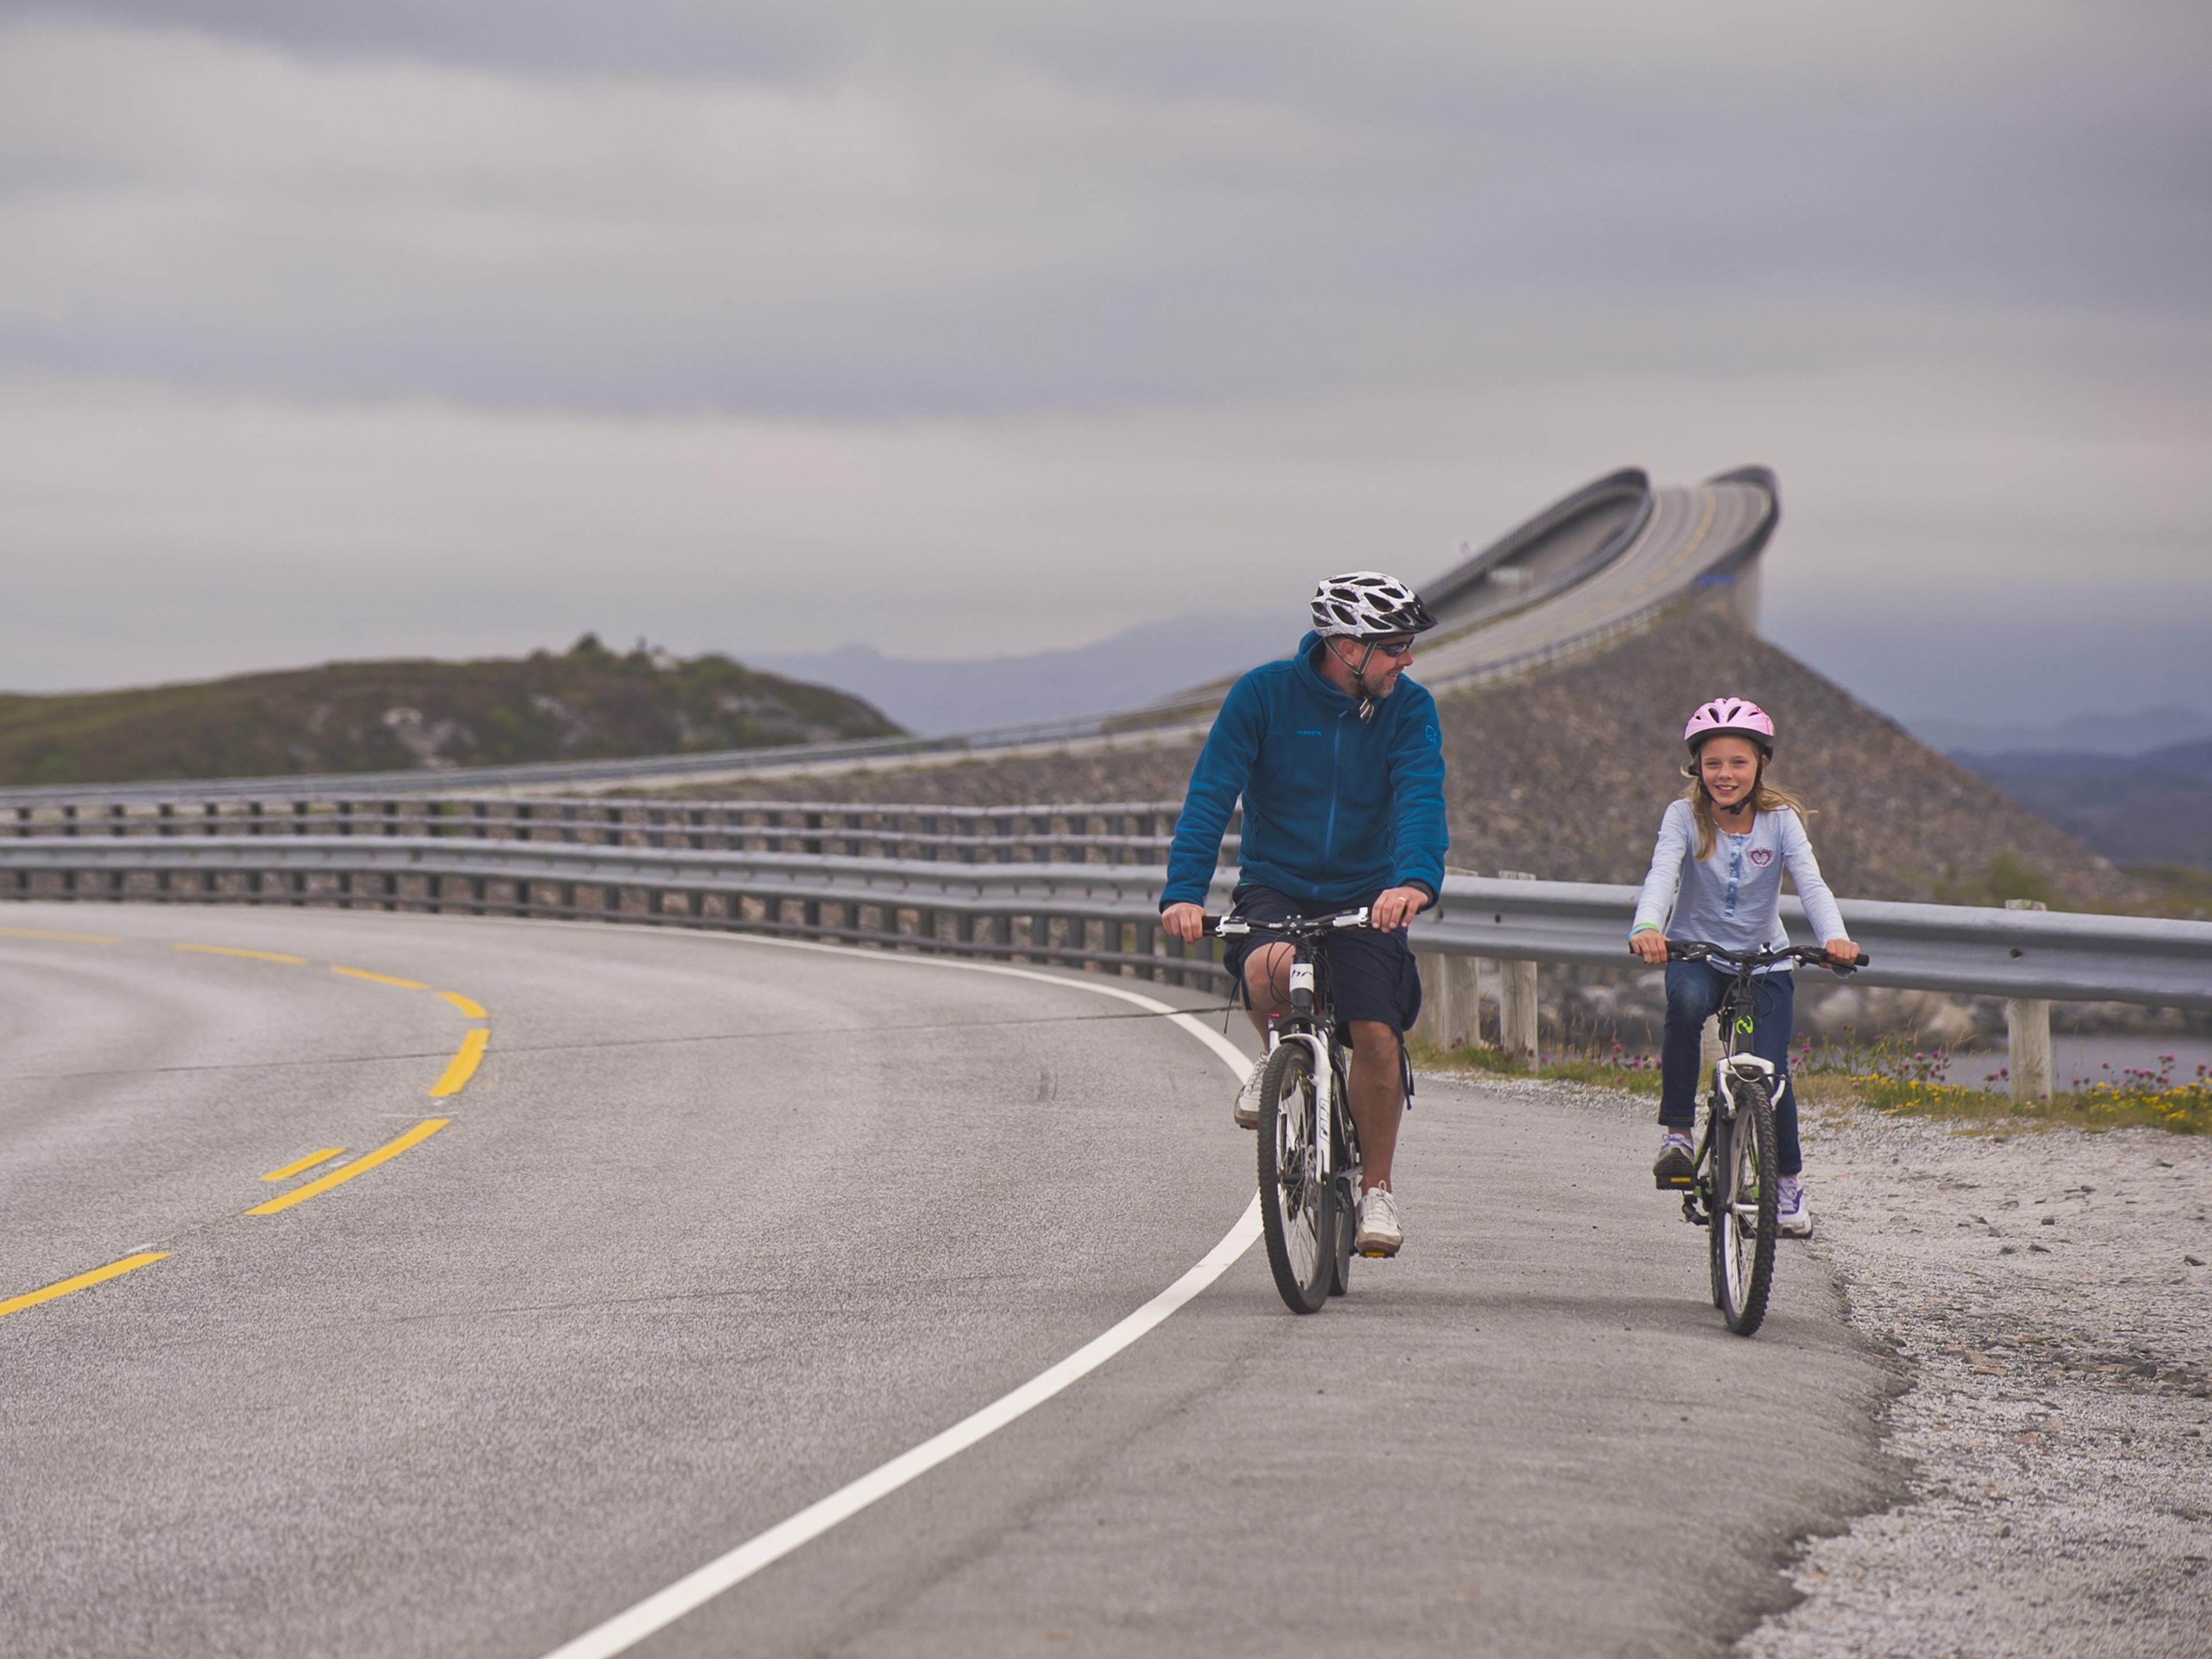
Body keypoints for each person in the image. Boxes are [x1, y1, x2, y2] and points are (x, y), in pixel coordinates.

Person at [1159, 571, 1448, 1258]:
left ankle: (1376, 1190)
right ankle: (1277, 1056)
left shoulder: (1410, 708)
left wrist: (1411, 882)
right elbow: (1210, 796)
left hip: (1368, 891)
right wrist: (1182, 892)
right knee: (1268, 964)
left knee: (1376, 1035)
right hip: (1277, 884)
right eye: (1396, 646)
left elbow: (1420, 796)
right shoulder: (1262, 694)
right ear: (1347, 645)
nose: (1407, 660)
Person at [1629, 698, 1857, 1238]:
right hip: (1695, 956)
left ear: (1760, 765)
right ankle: (1679, 1136)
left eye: (1738, 762)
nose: (1725, 774)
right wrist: (1647, 926)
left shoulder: (1780, 822)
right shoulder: (1683, 816)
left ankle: (1786, 1187)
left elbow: (1812, 882)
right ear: (1696, 768)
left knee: (1770, 1074)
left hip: (1764, 962)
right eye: (1713, 764)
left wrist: (1835, 938)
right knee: (1685, 1006)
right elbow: (1662, 873)